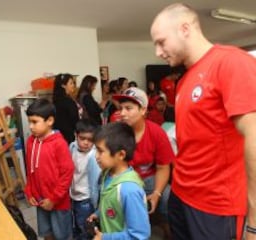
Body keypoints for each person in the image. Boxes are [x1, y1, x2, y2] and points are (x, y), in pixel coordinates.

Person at [151, 3, 256, 240]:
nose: (158, 51)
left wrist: (254, 222)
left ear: (185, 29)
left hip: (216, 206)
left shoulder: (231, 62)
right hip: (182, 195)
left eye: (161, 41)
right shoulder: (185, 79)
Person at [113, 87, 174, 239]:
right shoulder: (115, 133)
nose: (123, 113)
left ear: (143, 110)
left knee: (168, 197)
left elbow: (163, 167)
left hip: (150, 180)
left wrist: (157, 193)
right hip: (124, 181)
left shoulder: (156, 132)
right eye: (121, 108)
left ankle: (168, 232)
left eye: (129, 108)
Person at [87, 122, 150, 240]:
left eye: (100, 151)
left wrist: (104, 238)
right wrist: (99, 214)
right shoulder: (107, 173)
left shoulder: (129, 191)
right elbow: (112, 205)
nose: (96, 156)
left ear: (121, 154)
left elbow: (138, 235)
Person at [24, 98, 75, 240]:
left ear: (50, 121)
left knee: (62, 236)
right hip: (40, 200)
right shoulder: (30, 142)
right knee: (47, 234)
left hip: (57, 202)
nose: (30, 126)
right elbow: (30, 170)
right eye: (29, 122)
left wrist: (53, 199)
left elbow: (67, 173)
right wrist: (29, 191)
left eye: (34, 122)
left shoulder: (59, 144)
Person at [69, 119, 101, 239]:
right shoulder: (72, 147)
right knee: (76, 224)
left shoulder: (94, 156)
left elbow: (97, 182)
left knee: (85, 228)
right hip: (73, 195)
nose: (86, 143)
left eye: (90, 140)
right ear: (75, 135)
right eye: (82, 138)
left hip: (86, 199)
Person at [52, 73, 80, 144]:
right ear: (63, 85)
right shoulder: (68, 102)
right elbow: (75, 121)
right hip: (69, 136)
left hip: (57, 136)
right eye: (71, 83)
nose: (73, 85)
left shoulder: (55, 100)